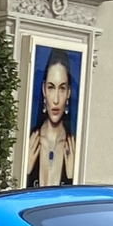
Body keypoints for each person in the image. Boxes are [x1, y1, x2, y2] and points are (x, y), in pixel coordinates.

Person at [25, 51, 77, 187]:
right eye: (51, 87)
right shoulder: (30, 142)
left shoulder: (72, 147)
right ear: (43, 90)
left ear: (68, 93)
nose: (56, 99)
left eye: (62, 88)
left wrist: (71, 178)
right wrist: (26, 172)